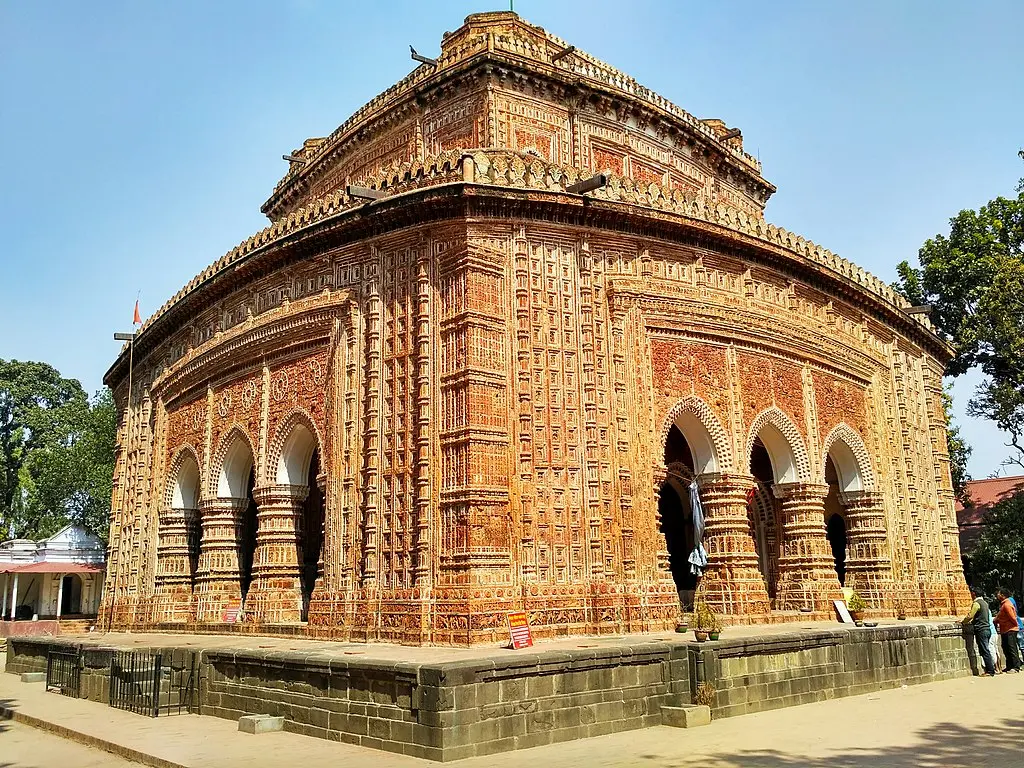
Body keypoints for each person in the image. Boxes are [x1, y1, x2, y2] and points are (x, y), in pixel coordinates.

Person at [962, 586, 996, 676]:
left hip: (981, 629)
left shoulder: (977, 603)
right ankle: (990, 669)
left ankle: (990, 670)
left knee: (985, 650)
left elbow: (970, 615)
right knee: (986, 649)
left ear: (974, 594)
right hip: (987, 629)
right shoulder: (985, 603)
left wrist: (963, 622)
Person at [994, 587, 1022, 673]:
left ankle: (1016, 667)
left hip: (1010, 629)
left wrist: (1013, 625)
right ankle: (1009, 666)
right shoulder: (1003, 604)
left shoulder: (1007, 605)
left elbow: (1013, 617)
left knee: (1011, 648)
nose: (997, 595)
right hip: (1005, 629)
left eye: (998, 593)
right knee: (1006, 648)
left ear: (1003, 595)